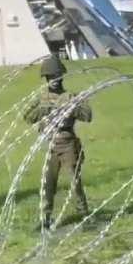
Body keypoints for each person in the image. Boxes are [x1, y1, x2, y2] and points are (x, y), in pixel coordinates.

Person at [24, 55, 92, 229]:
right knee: (48, 182)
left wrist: (73, 106)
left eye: (56, 76)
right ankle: (45, 218)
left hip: (68, 142)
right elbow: (27, 117)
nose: (53, 80)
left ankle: (84, 215)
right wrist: (44, 110)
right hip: (51, 144)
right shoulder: (41, 99)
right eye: (49, 77)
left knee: (74, 182)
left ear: (61, 76)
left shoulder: (70, 97)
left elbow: (88, 116)